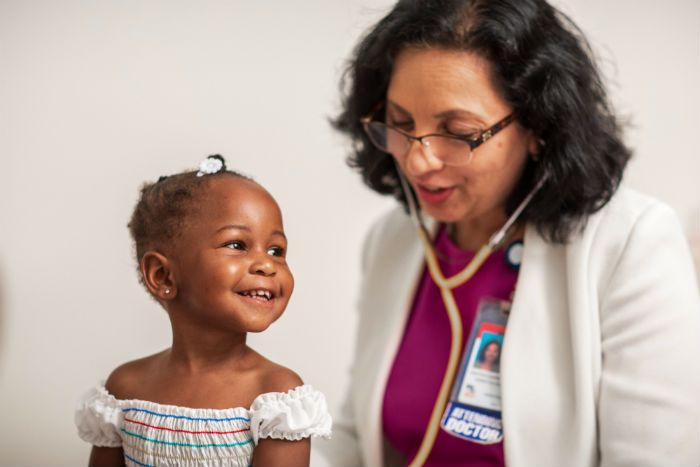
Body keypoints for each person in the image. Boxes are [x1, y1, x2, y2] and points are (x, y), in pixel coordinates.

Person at [320, 0, 700, 466]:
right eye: (400, 124)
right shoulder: (392, 241)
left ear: (538, 126)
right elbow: (359, 442)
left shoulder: (632, 246)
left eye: (458, 132)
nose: (418, 162)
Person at [75, 155, 332, 467]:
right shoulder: (124, 389)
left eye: (276, 250)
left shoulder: (276, 397)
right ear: (163, 275)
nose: (267, 264)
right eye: (237, 244)